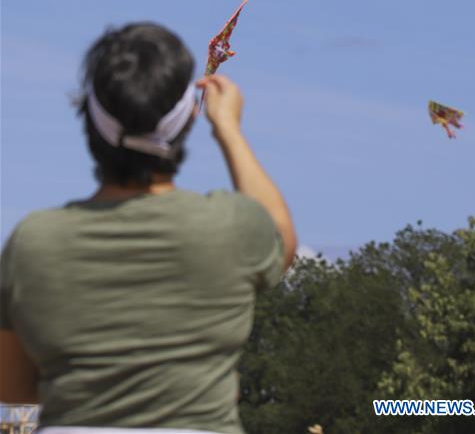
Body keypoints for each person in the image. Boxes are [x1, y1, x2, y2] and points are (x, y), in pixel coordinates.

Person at [0, 22, 297, 434]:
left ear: (87, 115)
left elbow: (11, 384)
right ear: (189, 118)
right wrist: (228, 128)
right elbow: (280, 233)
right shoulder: (231, 229)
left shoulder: (33, 242)